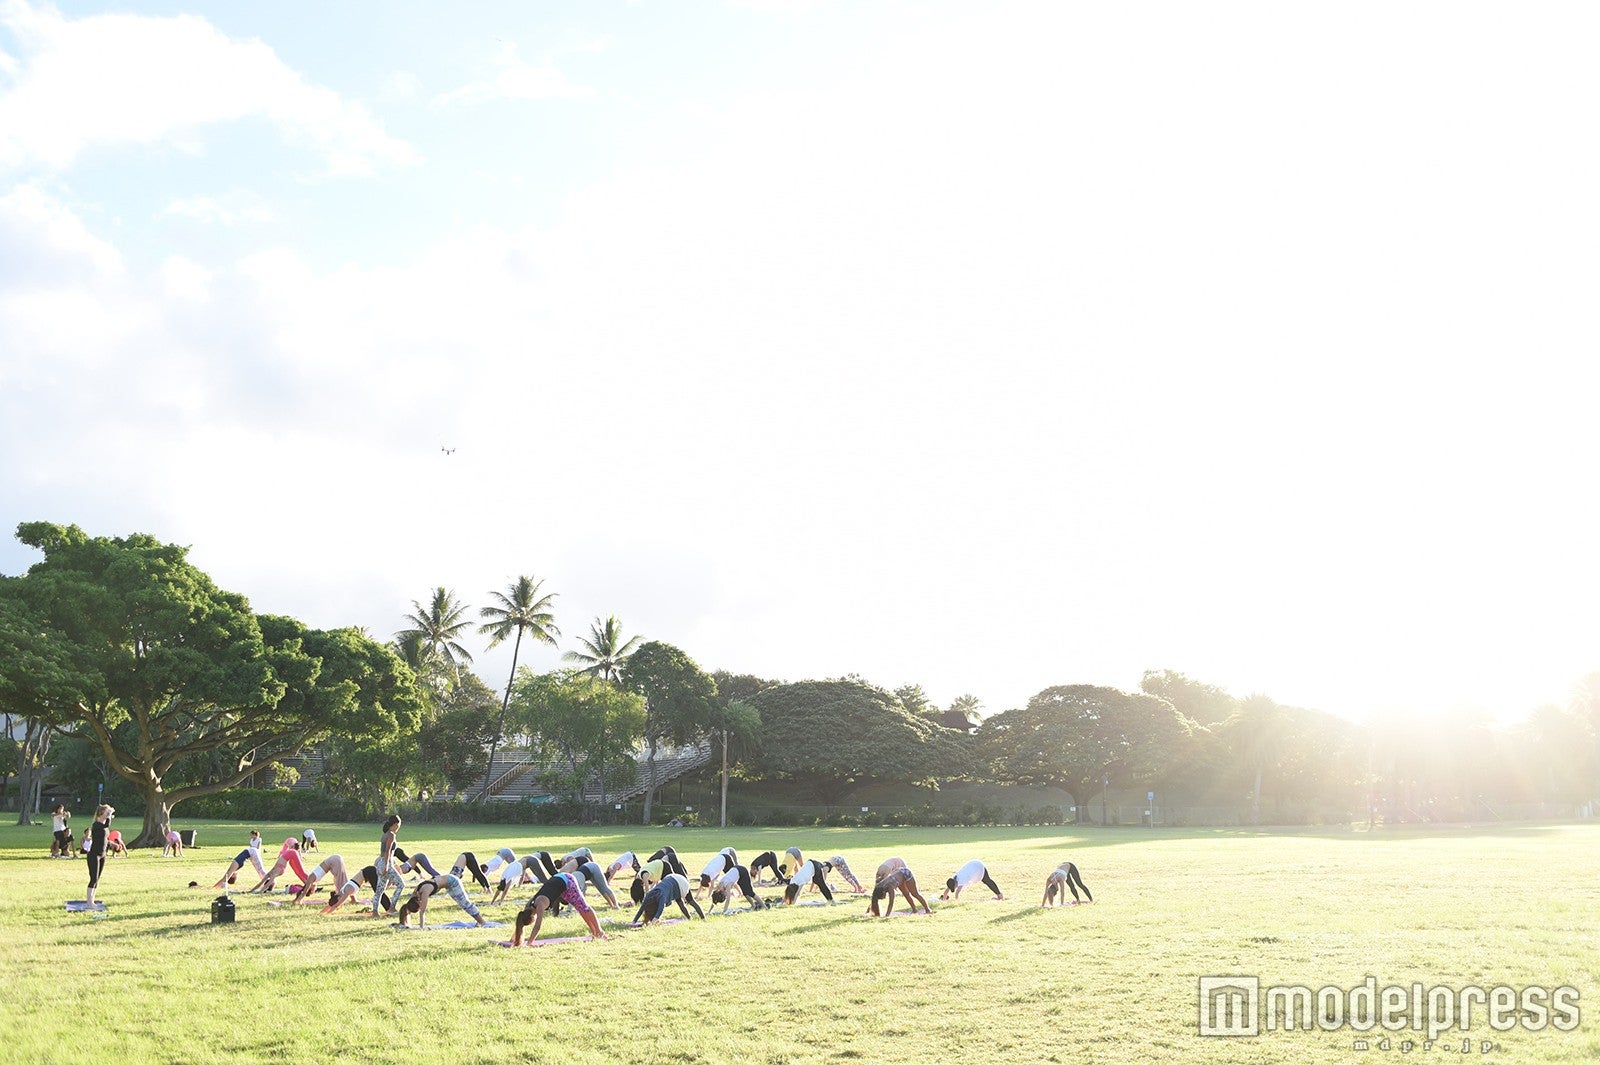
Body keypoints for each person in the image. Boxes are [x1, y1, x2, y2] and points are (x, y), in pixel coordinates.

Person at [510, 871, 609, 945]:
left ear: (532, 917)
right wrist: (514, 938)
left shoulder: (539, 905)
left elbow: (537, 927)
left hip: (567, 880)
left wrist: (529, 943)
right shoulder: (528, 905)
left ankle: (599, 932)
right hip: (558, 881)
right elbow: (520, 923)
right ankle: (594, 932)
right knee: (580, 908)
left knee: (584, 907)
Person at [397, 873, 487, 928]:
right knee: (463, 904)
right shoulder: (415, 893)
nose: (421, 905)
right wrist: (404, 921)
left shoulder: (424, 892)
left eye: (419, 906)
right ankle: (479, 921)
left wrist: (421, 927)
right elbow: (408, 907)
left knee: (464, 903)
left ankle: (482, 922)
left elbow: (422, 912)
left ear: (418, 902)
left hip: (452, 882)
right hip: (448, 883)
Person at [633, 872, 705, 925]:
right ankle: (690, 919)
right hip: (671, 878)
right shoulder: (648, 896)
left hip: (681, 883)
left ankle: (703, 919)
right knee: (680, 903)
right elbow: (641, 909)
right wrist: (634, 921)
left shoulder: (661, 896)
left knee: (690, 901)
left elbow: (660, 910)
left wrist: (653, 922)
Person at [371, 815, 404, 917]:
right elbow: (388, 851)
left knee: (380, 890)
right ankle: (392, 907)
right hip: (386, 863)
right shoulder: (391, 835)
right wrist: (387, 865)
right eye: (399, 825)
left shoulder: (385, 834)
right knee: (401, 885)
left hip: (380, 862)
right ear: (395, 824)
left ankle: (375, 911)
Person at [84, 804, 112, 908]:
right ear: (101, 813)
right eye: (106, 812)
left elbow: (105, 838)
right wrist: (110, 814)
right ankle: (89, 902)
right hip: (94, 855)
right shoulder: (96, 825)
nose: (108, 814)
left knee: (97, 879)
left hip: (102, 855)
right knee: (93, 878)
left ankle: (93, 900)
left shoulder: (104, 826)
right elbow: (106, 825)